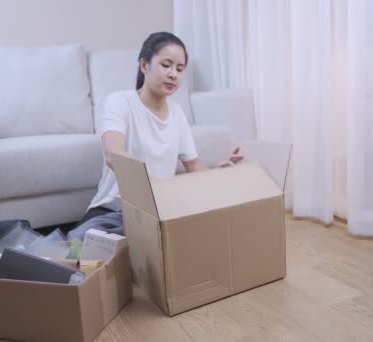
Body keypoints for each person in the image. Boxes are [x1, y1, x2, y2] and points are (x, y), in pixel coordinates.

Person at [67, 32, 242, 240]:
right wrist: (156, 188)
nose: (173, 74)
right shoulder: (119, 102)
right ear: (144, 65)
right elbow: (114, 155)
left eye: (179, 69)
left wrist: (216, 175)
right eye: (166, 65)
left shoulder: (177, 114)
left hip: (159, 210)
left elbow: (193, 165)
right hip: (114, 210)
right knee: (80, 244)